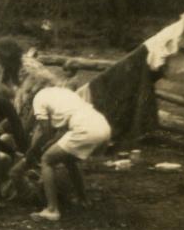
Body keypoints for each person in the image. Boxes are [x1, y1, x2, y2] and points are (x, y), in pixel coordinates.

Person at [13, 86, 111, 222]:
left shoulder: (38, 98)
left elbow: (44, 131)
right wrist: (50, 143)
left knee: (47, 160)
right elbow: (60, 132)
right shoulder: (64, 93)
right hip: (102, 125)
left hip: (85, 128)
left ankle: (52, 210)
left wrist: (32, 151)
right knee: (69, 160)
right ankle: (83, 200)